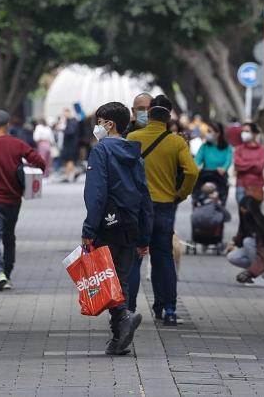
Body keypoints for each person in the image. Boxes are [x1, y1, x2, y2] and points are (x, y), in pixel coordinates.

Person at [81, 101, 151, 355]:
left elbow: (96, 193)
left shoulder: (101, 152)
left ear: (109, 124)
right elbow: (145, 194)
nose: (96, 127)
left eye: (98, 122)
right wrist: (144, 234)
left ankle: (122, 318)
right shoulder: (134, 152)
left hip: (108, 224)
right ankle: (119, 337)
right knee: (120, 278)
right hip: (130, 223)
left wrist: (89, 229)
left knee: (107, 278)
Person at [126, 93, 198, 326]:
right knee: (164, 257)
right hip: (165, 206)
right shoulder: (176, 142)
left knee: (135, 257)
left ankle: (129, 309)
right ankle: (168, 308)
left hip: (137, 206)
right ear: (167, 119)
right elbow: (192, 172)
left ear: (149, 115)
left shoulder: (133, 137)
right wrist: (182, 193)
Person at [0, 109, 46, 291]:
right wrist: (23, 171)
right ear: (8, 125)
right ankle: (7, 273)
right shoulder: (17, 144)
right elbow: (41, 162)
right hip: (14, 200)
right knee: (9, 237)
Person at [229, 193, 264, 286]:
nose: (242, 212)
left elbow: (262, 252)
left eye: (245, 210)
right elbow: (241, 234)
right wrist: (233, 242)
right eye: (241, 209)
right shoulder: (246, 219)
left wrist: (251, 272)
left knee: (248, 241)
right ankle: (262, 270)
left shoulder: (261, 225)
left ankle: (259, 274)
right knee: (232, 257)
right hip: (255, 251)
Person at [194, 122, 232, 204]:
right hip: (205, 176)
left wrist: (224, 168)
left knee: (221, 199)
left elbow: (228, 161)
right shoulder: (204, 147)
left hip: (220, 177)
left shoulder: (227, 148)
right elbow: (197, 159)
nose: (207, 134)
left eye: (209, 131)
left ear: (218, 133)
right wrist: (196, 166)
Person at [232, 122, 264, 205]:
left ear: (254, 133)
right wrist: (254, 163)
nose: (244, 134)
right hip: (241, 185)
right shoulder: (238, 149)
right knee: (243, 214)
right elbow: (238, 165)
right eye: (243, 131)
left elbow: (260, 167)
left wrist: (245, 164)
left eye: (247, 131)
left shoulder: (261, 150)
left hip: (256, 186)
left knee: (255, 216)